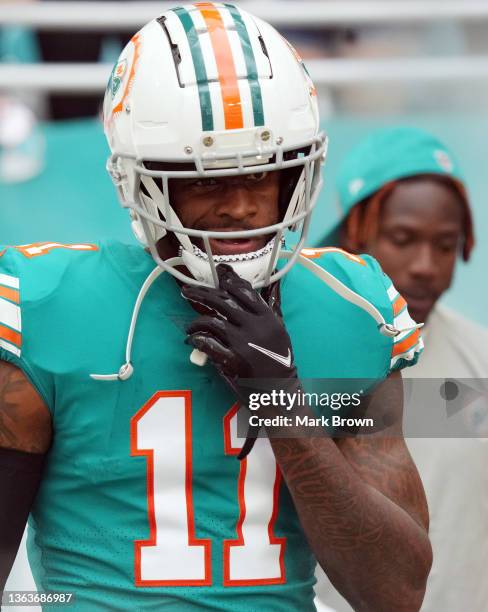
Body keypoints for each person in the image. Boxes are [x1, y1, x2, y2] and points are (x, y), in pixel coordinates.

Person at [0, 6, 432, 611]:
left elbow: (395, 594)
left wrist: (282, 404)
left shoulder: (352, 307)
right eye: (204, 181)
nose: (239, 208)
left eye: (261, 176)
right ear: (139, 181)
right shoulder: (46, 303)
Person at [315, 126, 488, 612]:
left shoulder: (480, 360)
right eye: (402, 239)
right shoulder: (299, 357)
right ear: (356, 233)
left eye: (446, 245)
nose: (425, 265)